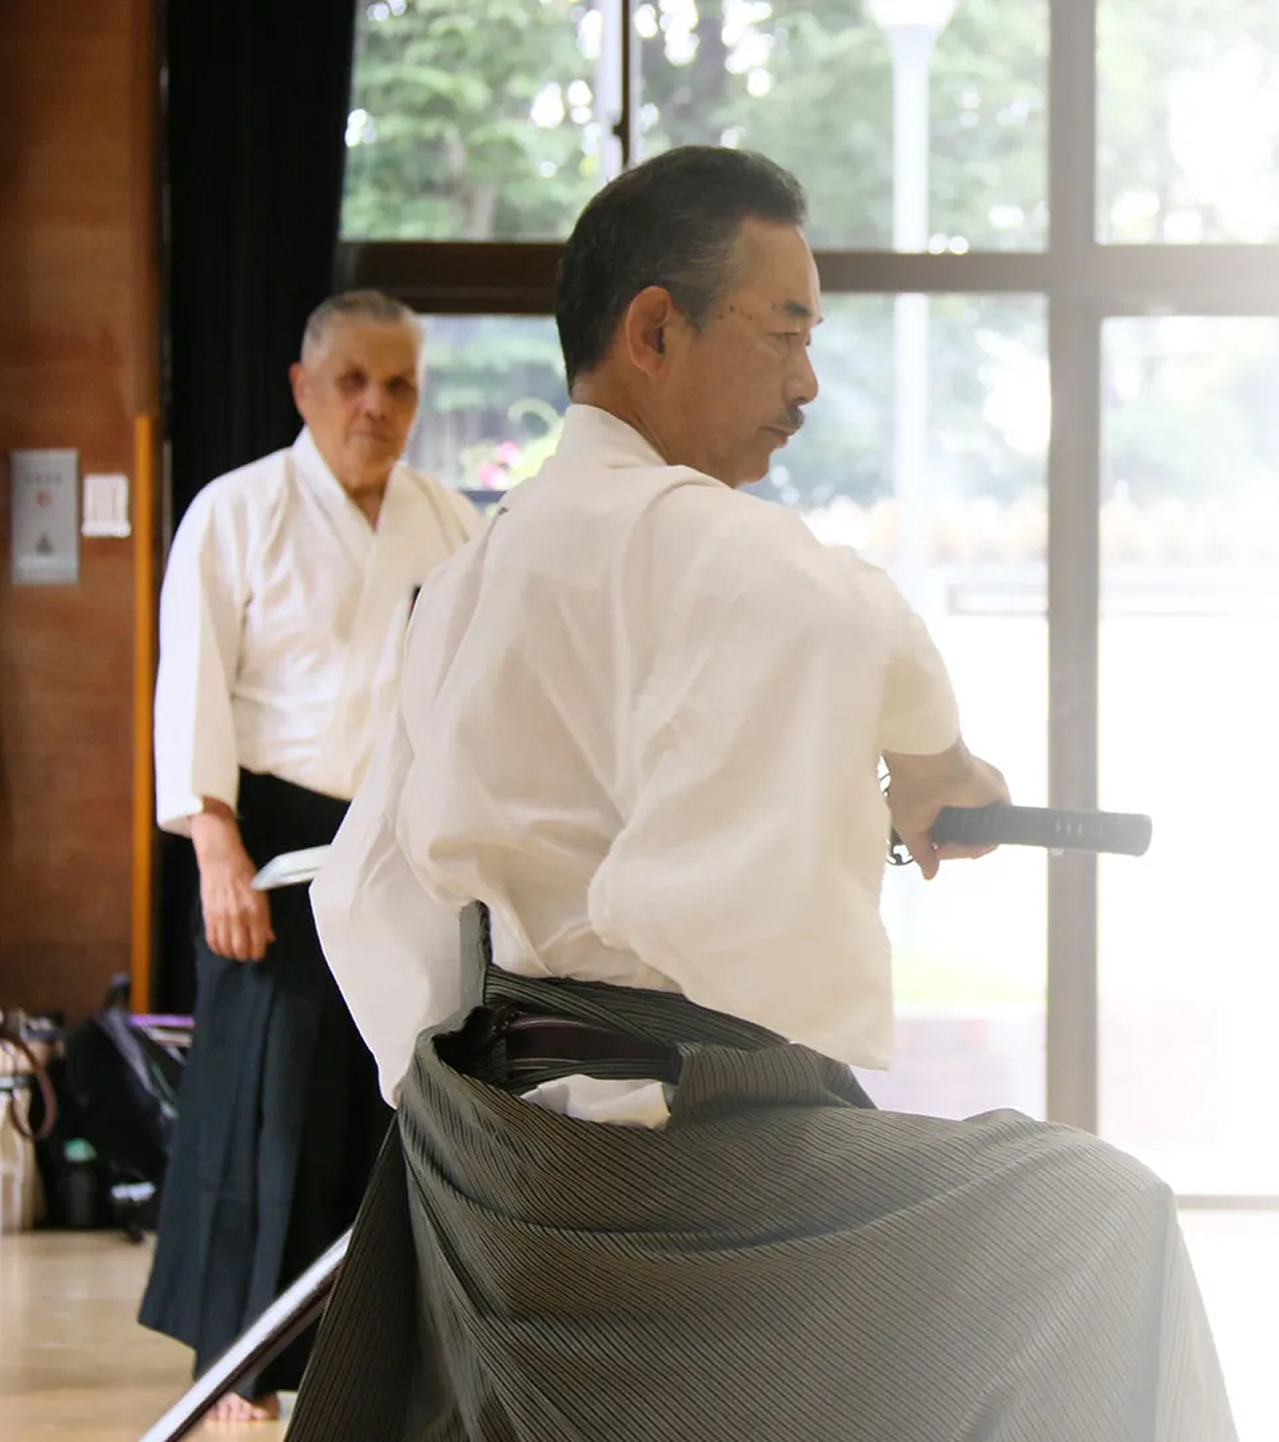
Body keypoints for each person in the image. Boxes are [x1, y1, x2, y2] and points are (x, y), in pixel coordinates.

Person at [297, 152, 1236, 1440]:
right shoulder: (700, 538)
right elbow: (857, 627)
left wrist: (490, 1129)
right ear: (652, 331)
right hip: (670, 1183)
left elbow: (371, 897)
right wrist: (932, 765)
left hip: (501, 1175)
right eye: (785, 330)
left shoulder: (469, 574)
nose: (804, 382)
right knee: (1092, 1218)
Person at [139, 290, 482, 1424]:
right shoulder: (235, 513)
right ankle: (239, 1368)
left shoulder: (452, 522)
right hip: (274, 833)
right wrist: (215, 847)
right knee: (266, 1102)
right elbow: (191, 683)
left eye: (399, 386)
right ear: (303, 386)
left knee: (383, 1092)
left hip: (402, 836)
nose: (376, 407)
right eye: (352, 381)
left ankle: (371, 1359)